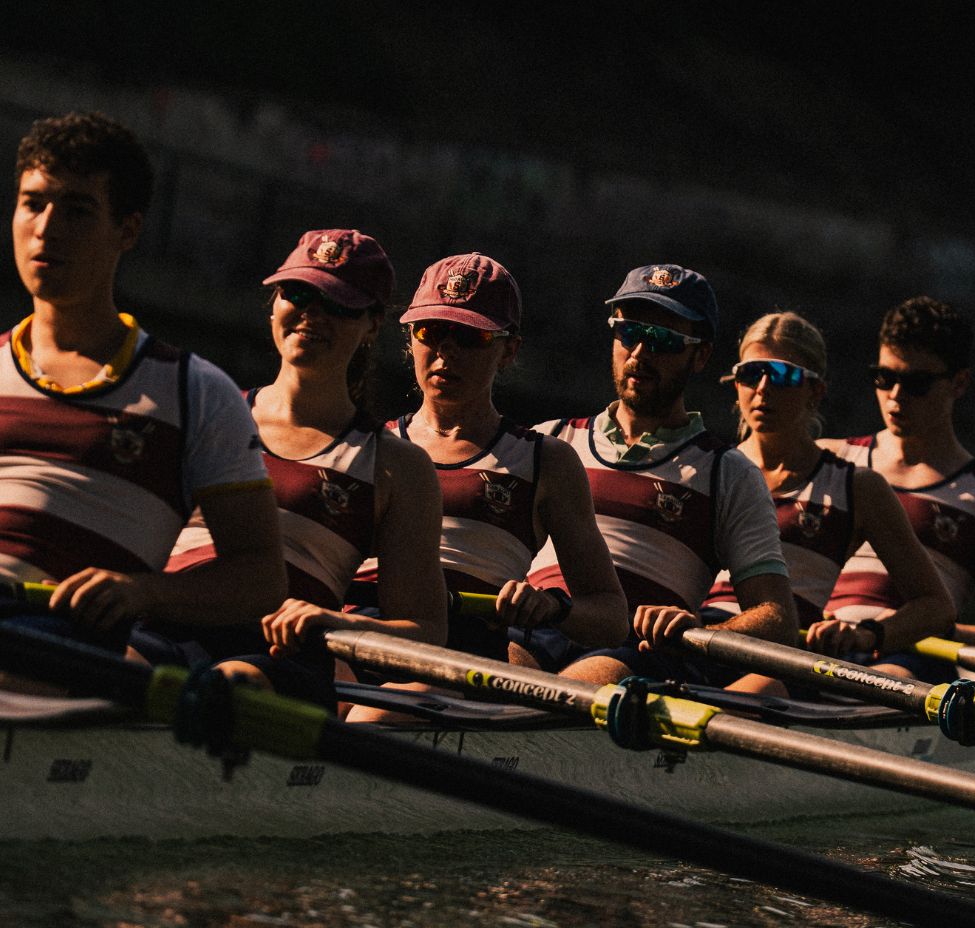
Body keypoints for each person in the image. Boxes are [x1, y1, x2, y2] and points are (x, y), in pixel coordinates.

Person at [0, 111, 285, 653]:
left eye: (77, 210)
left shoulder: (197, 393)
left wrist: (143, 593)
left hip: (59, 660)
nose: (46, 227)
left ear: (127, 230)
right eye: (33, 203)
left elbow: (261, 579)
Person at [141, 229, 447, 709]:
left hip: (279, 656)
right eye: (298, 294)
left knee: (222, 694)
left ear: (372, 325)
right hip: (167, 623)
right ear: (274, 304)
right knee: (121, 670)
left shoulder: (396, 466)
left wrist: (337, 622)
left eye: (338, 304)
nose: (312, 314)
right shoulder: (206, 409)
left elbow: (425, 630)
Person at [349, 251, 627, 664]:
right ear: (410, 338)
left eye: (469, 336)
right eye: (430, 330)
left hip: (457, 649)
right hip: (351, 631)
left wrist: (553, 606)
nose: (446, 350)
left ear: (509, 350)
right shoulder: (368, 444)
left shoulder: (545, 461)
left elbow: (611, 618)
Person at [526, 263, 798, 685]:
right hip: (535, 627)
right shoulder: (552, 439)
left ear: (700, 355)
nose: (639, 354)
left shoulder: (728, 474)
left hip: (633, 649)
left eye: (662, 340)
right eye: (629, 332)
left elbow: (778, 620)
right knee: (503, 669)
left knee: (578, 685)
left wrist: (700, 631)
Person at [701, 311, 953, 689]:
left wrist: (867, 635)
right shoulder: (706, 469)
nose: (763, 388)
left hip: (781, 662)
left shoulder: (857, 487)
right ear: (736, 382)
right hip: (699, 638)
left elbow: (935, 606)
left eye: (782, 375)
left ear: (816, 390)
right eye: (751, 373)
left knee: (758, 690)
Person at [821, 296, 975, 673]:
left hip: (908, 662)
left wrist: (908, 628)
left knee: (890, 678)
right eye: (884, 378)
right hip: (815, 642)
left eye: (916, 383)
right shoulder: (831, 457)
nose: (895, 396)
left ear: (959, 383)